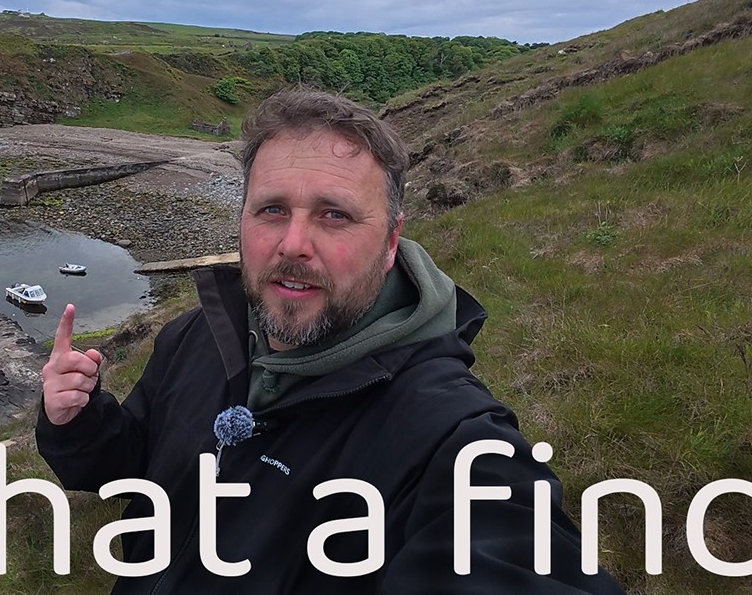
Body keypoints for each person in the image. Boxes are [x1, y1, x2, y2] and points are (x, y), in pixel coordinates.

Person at [37, 88, 625, 593]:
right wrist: (78, 422)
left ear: (392, 240)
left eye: (334, 215)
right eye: (271, 210)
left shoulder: (449, 439)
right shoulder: (197, 336)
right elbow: (135, 468)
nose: (293, 243)